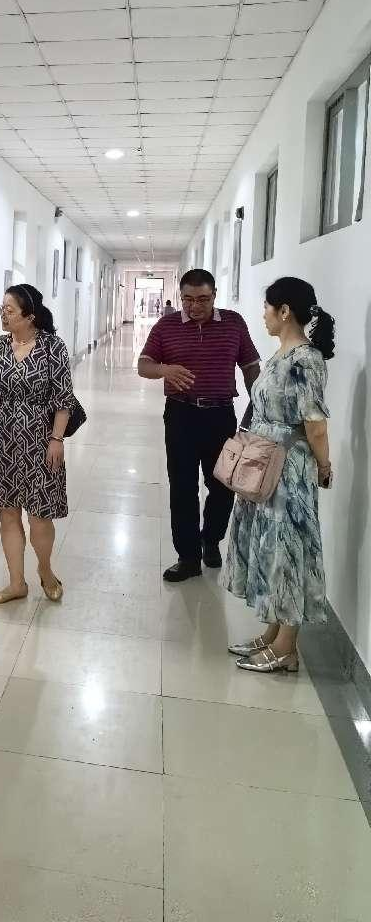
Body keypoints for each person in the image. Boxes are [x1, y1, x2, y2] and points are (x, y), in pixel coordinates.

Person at [222, 278, 335, 673]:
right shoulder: (282, 354)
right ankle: (273, 631)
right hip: (266, 464)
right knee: (269, 547)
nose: (263, 315)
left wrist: (324, 466)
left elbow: (315, 424)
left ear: (285, 311)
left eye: (267, 308)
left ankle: (287, 647)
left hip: (289, 469)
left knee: (288, 551)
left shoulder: (306, 359)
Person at [138, 268, 261, 583]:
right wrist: (165, 370)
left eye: (203, 299)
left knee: (222, 484)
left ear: (214, 295)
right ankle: (188, 557)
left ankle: (211, 539)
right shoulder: (166, 326)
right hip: (181, 415)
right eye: (188, 299)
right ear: (180, 297)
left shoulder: (233, 323)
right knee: (182, 487)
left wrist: (260, 407)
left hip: (220, 416)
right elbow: (143, 365)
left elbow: (250, 367)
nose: (195, 306)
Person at [0, 284, 75, 604]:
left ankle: (45, 569)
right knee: (7, 513)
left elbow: (63, 399)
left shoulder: (52, 347)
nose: (3, 315)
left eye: (9, 310)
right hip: (2, 440)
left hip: (40, 439)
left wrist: (56, 439)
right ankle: (17, 583)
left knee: (39, 515)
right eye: (1, 309)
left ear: (29, 316)